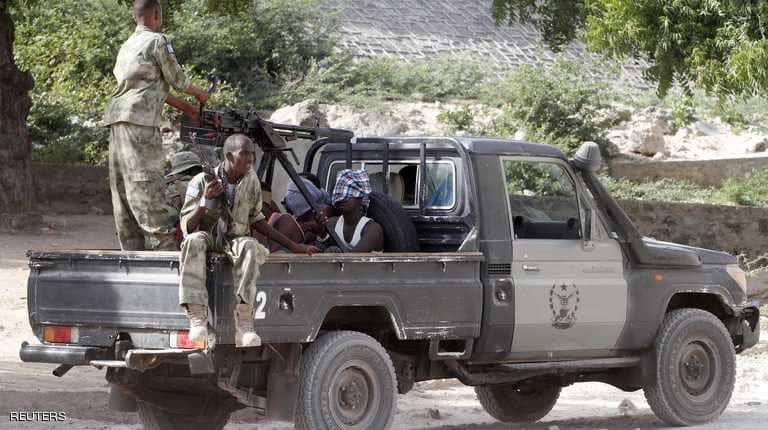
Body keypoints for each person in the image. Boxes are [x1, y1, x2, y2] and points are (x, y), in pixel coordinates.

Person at [179, 134, 317, 347]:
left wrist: (294, 246)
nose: (250, 158)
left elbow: (257, 219)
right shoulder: (201, 181)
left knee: (251, 246)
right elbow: (187, 227)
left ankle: (244, 323)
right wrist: (204, 203)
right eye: (244, 153)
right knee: (194, 241)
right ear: (228, 156)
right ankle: (197, 318)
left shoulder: (251, 180)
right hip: (209, 238)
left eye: (252, 153)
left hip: (235, 239)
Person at [103, 0, 210, 251]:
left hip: (118, 121)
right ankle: (163, 251)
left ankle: (131, 252)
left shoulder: (127, 46)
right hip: (140, 124)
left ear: (134, 17)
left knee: (124, 189)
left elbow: (149, 88)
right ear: (156, 15)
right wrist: (200, 95)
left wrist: (185, 107)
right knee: (146, 185)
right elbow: (177, 79)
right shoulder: (157, 40)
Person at [326, 169, 384, 252]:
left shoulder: (373, 229)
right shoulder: (332, 223)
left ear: (361, 198)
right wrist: (321, 232)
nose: (341, 200)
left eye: (347, 196)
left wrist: (334, 251)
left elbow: (352, 260)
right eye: (339, 195)